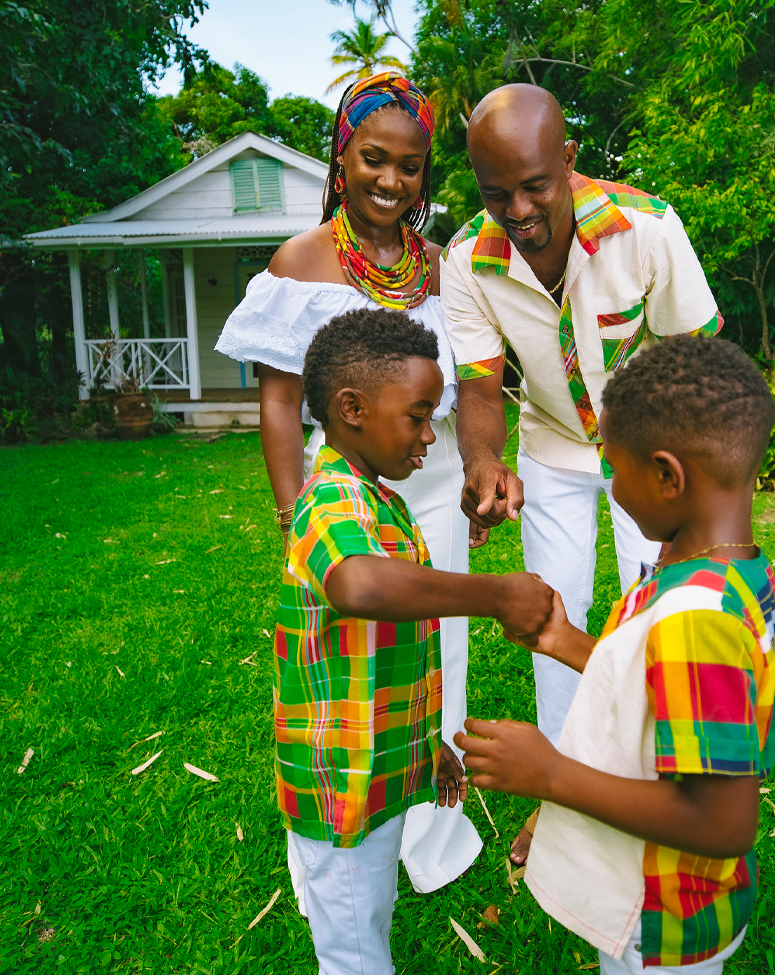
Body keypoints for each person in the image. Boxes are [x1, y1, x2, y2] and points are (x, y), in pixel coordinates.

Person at [439, 83, 724, 863]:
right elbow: (476, 386)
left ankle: (662, 784)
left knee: (653, 621)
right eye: (497, 195)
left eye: (534, 186)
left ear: (567, 161)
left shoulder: (648, 229)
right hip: (552, 447)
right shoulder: (466, 260)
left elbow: (701, 367)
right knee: (549, 618)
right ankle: (559, 798)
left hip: (652, 454)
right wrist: (482, 459)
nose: (519, 210)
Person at [216, 72, 485, 895]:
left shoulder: (440, 267)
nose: (390, 182)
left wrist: (476, 471)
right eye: (374, 160)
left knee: (438, 651)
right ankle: (342, 821)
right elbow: (279, 397)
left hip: (431, 488)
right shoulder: (300, 260)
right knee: (348, 660)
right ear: (342, 157)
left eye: (410, 168)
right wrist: (294, 507)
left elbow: (471, 382)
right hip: (347, 498)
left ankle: (427, 826)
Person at [455, 334, 775, 975]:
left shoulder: (702, 621)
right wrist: (567, 643)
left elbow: (722, 822)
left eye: (612, 463)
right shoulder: (718, 574)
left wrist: (547, 774)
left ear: (666, 476)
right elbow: (653, 682)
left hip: (661, 919)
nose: (607, 479)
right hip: (652, 899)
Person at [281, 308, 553, 974]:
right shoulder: (329, 501)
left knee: (370, 911)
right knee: (351, 949)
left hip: (380, 770)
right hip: (338, 784)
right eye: (418, 415)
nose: (433, 435)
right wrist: (492, 595)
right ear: (351, 409)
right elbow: (361, 588)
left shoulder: (382, 501)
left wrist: (427, 748)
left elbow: (402, 649)